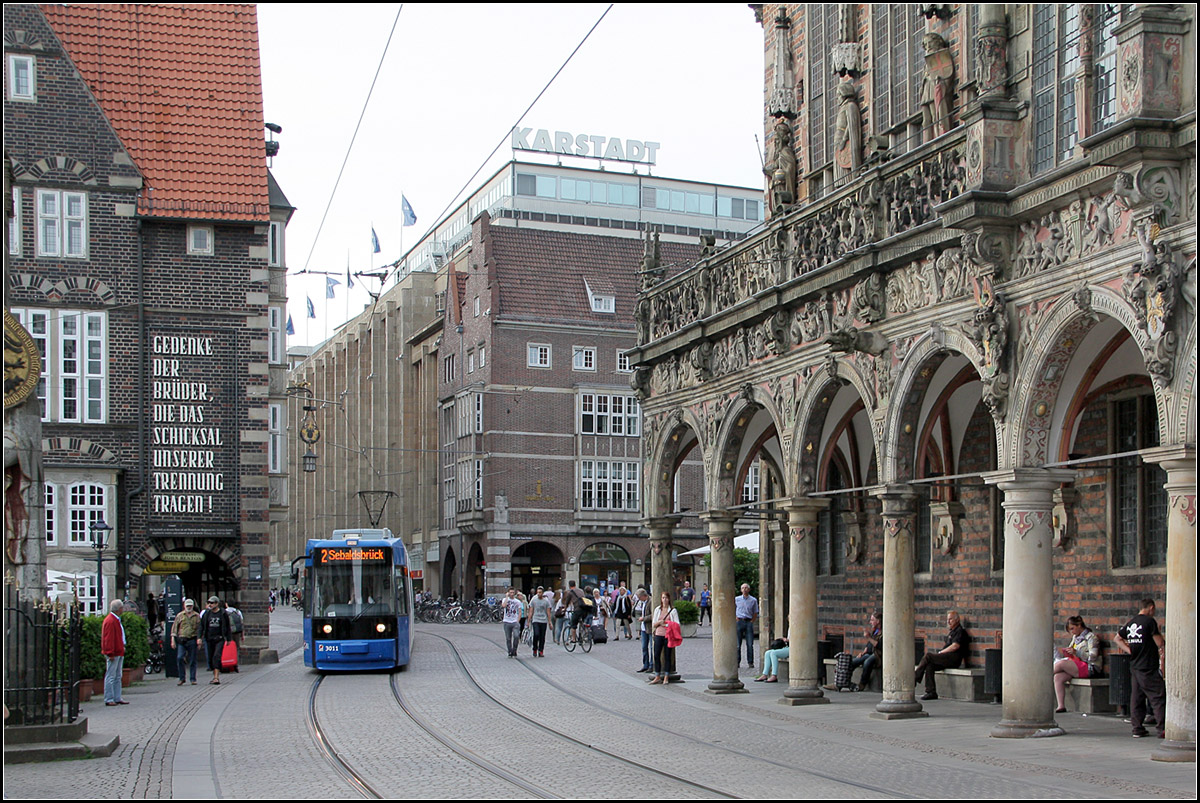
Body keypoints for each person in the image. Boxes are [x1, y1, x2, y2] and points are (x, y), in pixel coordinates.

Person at [1114, 598, 1166, 738]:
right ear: (1151, 608)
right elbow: (1159, 643)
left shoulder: (1132, 623)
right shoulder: (1149, 622)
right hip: (1148, 665)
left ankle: (1137, 728)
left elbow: (1117, 638)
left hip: (1135, 665)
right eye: (1154, 610)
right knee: (1158, 696)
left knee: (1137, 698)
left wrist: (1129, 650)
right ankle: (1162, 728)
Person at [914, 610, 968, 700]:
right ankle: (931, 691)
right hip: (947, 657)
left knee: (928, 656)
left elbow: (955, 646)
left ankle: (914, 678)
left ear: (957, 620)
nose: (948, 622)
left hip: (953, 658)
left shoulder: (960, 631)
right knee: (929, 665)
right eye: (947, 619)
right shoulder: (952, 632)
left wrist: (941, 652)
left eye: (950, 619)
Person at [1053, 615, 1100, 713]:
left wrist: (1076, 652)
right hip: (1077, 664)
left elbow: (1093, 656)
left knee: (1061, 664)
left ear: (1079, 625)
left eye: (1072, 628)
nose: (1072, 632)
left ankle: (1042, 676)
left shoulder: (1091, 637)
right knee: (1058, 677)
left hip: (1090, 667)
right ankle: (1061, 705)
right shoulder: (1075, 638)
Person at [101, 599, 128, 706]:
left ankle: (117, 697)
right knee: (111, 675)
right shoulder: (110, 621)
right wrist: (110, 652)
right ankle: (109, 698)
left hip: (118, 651)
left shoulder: (115, 620)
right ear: (119, 609)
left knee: (117, 675)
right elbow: (108, 639)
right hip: (114, 652)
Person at [200, 595, 232, 684]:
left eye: (212, 603)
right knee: (210, 658)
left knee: (216, 656)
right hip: (209, 639)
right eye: (209, 603)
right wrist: (199, 637)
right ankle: (215, 673)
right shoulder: (206, 614)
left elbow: (227, 626)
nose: (210, 605)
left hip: (219, 638)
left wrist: (228, 638)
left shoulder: (223, 613)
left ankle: (216, 677)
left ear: (217, 604)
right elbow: (201, 626)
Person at [649, 591, 680, 685]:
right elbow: (654, 623)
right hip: (658, 634)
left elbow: (677, 624)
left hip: (668, 635)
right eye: (663, 598)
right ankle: (657, 675)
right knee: (656, 655)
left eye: (666, 598)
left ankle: (666, 676)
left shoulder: (673, 610)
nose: (664, 600)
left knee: (667, 656)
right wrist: (659, 623)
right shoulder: (657, 609)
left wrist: (666, 624)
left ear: (669, 599)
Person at [171, 598, 202, 686]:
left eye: (190, 606)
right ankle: (182, 678)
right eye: (187, 606)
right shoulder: (180, 615)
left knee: (193, 660)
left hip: (192, 639)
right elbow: (174, 628)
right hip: (182, 639)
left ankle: (193, 678)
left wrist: (199, 639)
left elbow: (199, 629)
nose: (189, 607)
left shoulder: (196, 616)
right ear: (184, 606)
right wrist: (173, 639)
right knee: (180, 657)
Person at [851, 610, 882, 692]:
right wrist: (863, 652)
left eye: (872, 620)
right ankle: (845, 679)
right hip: (871, 653)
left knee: (867, 662)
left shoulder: (883, 632)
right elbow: (869, 645)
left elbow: (879, 645)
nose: (870, 622)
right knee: (855, 661)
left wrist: (868, 637)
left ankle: (862, 684)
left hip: (879, 655)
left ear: (878, 621)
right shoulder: (875, 630)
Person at [735, 583, 759, 668]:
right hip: (739, 621)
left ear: (749, 589)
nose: (744, 589)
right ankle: (737, 662)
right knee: (737, 644)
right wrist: (736, 617)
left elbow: (755, 611)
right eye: (743, 588)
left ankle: (750, 662)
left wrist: (752, 621)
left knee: (749, 644)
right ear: (741, 590)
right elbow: (732, 608)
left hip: (748, 621)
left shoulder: (753, 600)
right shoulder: (737, 599)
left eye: (746, 588)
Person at [528, 586, 552, 657]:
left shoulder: (546, 601)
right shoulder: (534, 599)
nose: (539, 594)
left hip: (543, 620)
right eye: (537, 592)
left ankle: (541, 650)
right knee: (536, 634)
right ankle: (535, 648)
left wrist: (550, 622)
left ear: (543, 593)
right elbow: (531, 611)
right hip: (535, 619)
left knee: (542, 636)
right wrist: (528, 621)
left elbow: (548, 612)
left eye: (540, 592)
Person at [633, 588, 653, 673]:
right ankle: (645, 664)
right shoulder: (642, 602)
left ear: (643, 596)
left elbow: (653, 615)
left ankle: (652, 665)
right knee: (644, 647)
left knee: (652, 648)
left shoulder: (651, 601)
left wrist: (644, 618)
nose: (638, 599)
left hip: (650, 627)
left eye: (639, 597)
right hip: (643, 628)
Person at [500, 587, 523, 658]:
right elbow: (503, 606)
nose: (512, 594)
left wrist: (517, 621)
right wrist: (507, 597)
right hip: (507, 621)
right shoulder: (505, 600)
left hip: (514, 621)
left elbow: (519, 612)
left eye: (513, 593)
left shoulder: (517, 602)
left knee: (516, 636)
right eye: (510, 592)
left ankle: (514, 649)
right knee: (508, 638)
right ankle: (509, 651)